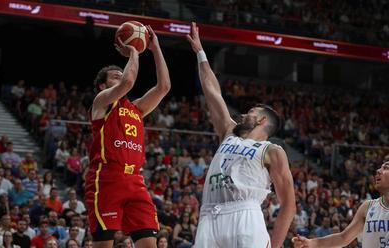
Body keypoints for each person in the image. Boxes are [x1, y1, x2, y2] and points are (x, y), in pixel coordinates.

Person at [186, 22, 296, 248]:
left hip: (245, 213)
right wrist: (200, 53)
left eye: (251, 112)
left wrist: (274, 246)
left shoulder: (272, 151)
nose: (244, 114)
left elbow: (288, 204)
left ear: (262, 120)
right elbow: (212, 93)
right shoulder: (229, 133)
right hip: (209, 214)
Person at [84, 25, 171, 248]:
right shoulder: (101, 102)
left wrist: (155, 48)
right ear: (103, 86)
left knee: (150, 244)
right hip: (106, 177)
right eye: (115, 76)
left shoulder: (136, 108)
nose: (121, 75)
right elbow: (128, 82)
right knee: (104, 245)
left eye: (121, 73)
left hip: (135, 179)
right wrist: (134, 51)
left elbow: (164, 87)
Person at [292, 161, 389, 248]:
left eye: (386, 167)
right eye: (380, 167)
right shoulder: (368, 207)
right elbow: (343, 238)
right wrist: (311, 243)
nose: (378, 171)